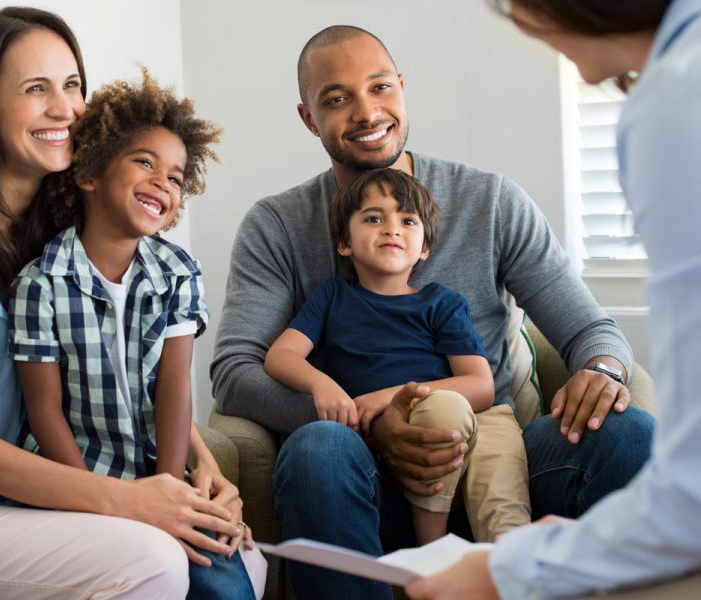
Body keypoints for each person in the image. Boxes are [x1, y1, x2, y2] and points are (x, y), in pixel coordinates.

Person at [211, 23, 655, 599]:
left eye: (379, 88)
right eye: (337, 99)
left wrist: (604, 369)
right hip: (355, 473)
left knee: (628, 434)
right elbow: (236, 370)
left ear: (402, 86)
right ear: (308, 118)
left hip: (490, 456)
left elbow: (590, 329)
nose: (367, 112)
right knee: (319, 449)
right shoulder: (278, 225)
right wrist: (371, 424)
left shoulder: (489, 201)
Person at [0, 8, 249, 598]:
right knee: (156, 563)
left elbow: (122, 372)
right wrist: (131, 501)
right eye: (35, 89)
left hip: (22, 499)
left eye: (72, 86)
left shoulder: (58, 233)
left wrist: (199, 468)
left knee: (235, 560)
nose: (65, 108)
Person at [406, 0, 701, 598]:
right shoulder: (283, 229)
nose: (516, 22)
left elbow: (687, 499)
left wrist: (514, 568)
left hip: (496, 431)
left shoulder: (673, 103)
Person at [8, 70, 266, 599]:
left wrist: (170, 495)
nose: (161, 183)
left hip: (157, 474)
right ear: (90, 173)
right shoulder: (40, 284)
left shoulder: (179, 273)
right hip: (72, 477)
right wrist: (98, 500)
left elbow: (174, 388)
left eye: (175, 177)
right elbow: (44, 411)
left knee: (224, 573)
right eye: (144, 162)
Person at [264, 167, 529, 545]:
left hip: (480, 421)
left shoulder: (441, 302)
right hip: (399, 439)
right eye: (374, 218)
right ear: (345, 242)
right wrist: (320, 384)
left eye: (407, 220)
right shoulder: (332, 297)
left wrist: (383, 397)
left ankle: (509, 573)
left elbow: (480, 386)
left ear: (424, 248)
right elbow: (281, 356)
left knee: (502, 507)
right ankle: (430, 553)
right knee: (441, 412)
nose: (392, 228)